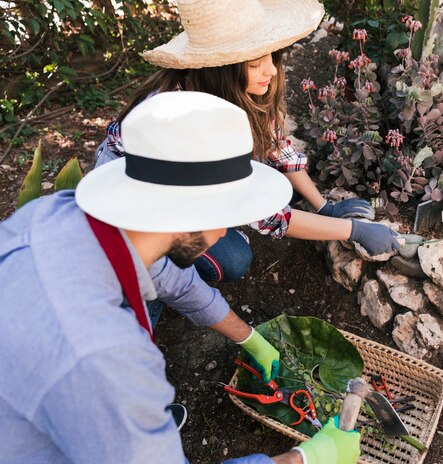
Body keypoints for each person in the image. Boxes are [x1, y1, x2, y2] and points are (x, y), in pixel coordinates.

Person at [0, 91, 360, 464]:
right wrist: (306, 462)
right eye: (224, 213)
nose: (226, 232)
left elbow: (171, 278)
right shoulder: (105, 351)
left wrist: (249, 338)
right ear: (185, 207)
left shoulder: (59, 216)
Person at [95, 0, 400, 288]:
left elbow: (276, 146)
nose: (270, 70)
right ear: (220, 69)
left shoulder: (230, 89)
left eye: (270, 56)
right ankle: (161, 272)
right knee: (234, 260)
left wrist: (324, 207)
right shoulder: (186, 123)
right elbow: (270, 217)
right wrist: (354, 230)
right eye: (255, 64)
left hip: (182, 184)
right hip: (139, 205)